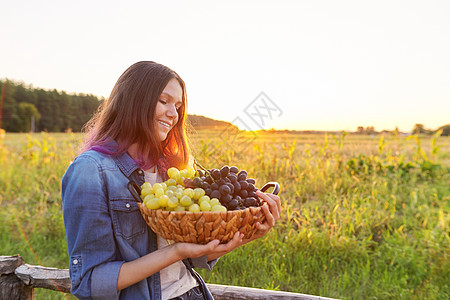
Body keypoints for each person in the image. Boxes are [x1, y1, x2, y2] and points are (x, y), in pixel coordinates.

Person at [61, 61, 281, 300]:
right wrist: (176, 251)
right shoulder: (90, 170)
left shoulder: (172, 169)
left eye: (177, 106)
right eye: (163, 101)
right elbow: (89, 282)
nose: (174, 114)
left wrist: (243, 235)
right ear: (133, 102)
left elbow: (188, 258)